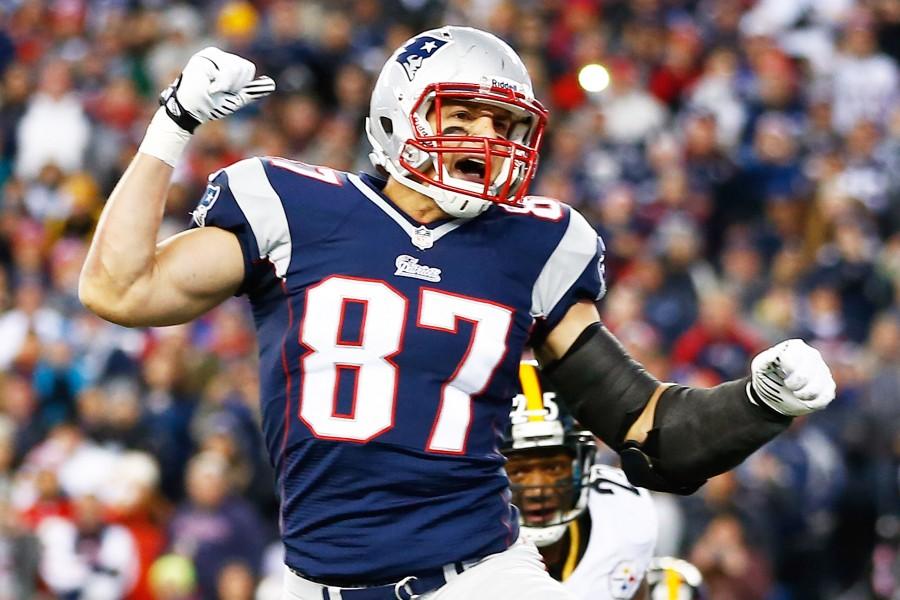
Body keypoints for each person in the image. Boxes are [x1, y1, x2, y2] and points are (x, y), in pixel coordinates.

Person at [79, 26, 837, 599]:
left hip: (477, 578)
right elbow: (118, 290)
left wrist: (758, 402)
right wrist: (172, 123)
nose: (490, 141)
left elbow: (652, 435)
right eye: (466, 116)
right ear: (398, 117)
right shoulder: (293, 204)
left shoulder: (533, 245)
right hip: (310, 580)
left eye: (506, 126)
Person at [503, 360, 657, 599]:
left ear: (578, 463)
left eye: (553, 467)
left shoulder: (624, 515)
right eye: (519, 471)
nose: (538, 489)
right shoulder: (459, 540)